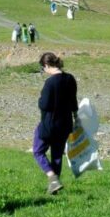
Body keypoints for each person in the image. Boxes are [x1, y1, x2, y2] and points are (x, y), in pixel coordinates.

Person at [33, 52, 78, 195]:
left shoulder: (50, 82)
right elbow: (73, 101)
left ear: (47, 65)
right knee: (57, 155)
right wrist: (75, 115)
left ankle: (51, 176)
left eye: (43, 68)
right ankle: (54, 187)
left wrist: (39, 100)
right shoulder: (70, 78)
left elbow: (44, 105)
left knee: (38, 150)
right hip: (65, 123)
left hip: (49, 124)